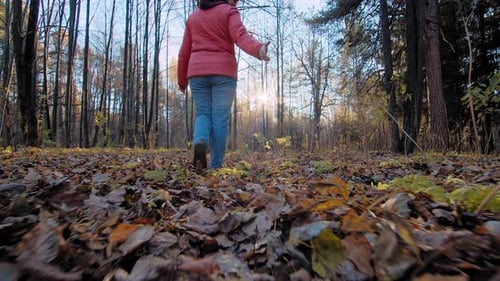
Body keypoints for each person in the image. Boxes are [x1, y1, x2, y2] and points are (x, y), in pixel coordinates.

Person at [177, 0, 270, 172]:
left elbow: (184, 52)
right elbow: (241, 36)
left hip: (197, 71)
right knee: (220, 119)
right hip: (223, 72)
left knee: (203, 114)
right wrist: (258, 49)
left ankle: (200, 141)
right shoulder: (228, 11)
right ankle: (216, 166)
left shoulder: (193, 17)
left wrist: (182, 80)